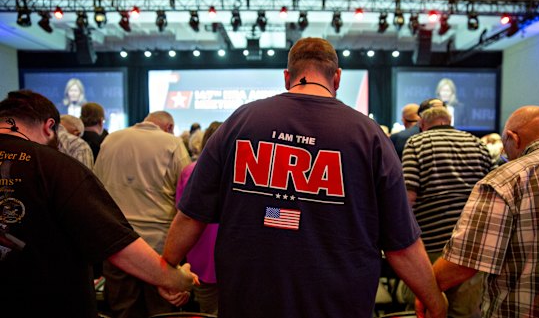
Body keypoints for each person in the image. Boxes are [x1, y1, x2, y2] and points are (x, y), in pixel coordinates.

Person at [162, 37, 447, 318]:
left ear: (287, 77)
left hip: (248, 302)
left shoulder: (240, 122)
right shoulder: (369, 135)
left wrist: (167, 268)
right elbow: (401, 243)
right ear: (336, 78)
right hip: (339, 304)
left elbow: (191, 214)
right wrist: (433, 300)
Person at [0, 90, 196, 318]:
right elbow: (111, 238)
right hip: (49, 304)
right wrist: (173, 278)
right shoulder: (56, 167)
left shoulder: (106, 144)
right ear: (48, 127)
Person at [426, 106, 539, 317]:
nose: (503, 153)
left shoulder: (506, 179)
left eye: (504, 145)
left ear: (513, 138)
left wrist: (427, 290)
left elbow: (464, 261)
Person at [94, 110, 191, 318]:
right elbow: (186, 197)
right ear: (169, 128)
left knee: (123, 310)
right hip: (160, 248)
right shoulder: (172, 144)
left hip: (116, 244)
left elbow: (96, 189)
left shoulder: (111, 140)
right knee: (162, 311)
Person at [401, 106, 493, 317]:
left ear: (422, 125)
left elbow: (409, 197)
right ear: (449, 120)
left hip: (430, 244)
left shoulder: (417, 143)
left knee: (425, 308)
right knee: (465, 311)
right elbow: (492, 194)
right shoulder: (476, 143)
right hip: (470, 247)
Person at [176, 121, 223, 315]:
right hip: (229, 253)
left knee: (207, 309)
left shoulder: (190, 170)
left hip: (200, 251)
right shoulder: (241, 171)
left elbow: (181, 211)